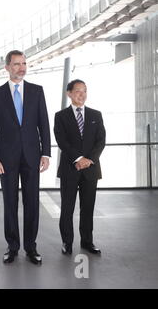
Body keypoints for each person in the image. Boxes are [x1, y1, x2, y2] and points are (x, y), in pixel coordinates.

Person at [0, 50, 51, 265]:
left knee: (32, 202)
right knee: (10, 202)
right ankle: (12, 246)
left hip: (32, 155)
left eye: (24, 63)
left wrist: (45, 153)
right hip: (6, 158)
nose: (21, 67)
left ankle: (31, 247)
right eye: (16, 64)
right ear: (7, 67)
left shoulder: (37, 91)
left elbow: (43, 123)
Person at [54, 79, 106, 255]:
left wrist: (88, 160)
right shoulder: (60, 116)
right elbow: (62, 141)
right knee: (67, 208)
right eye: (77, 91)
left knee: (88, 208)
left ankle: (87, 242)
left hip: (90, 169)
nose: (81, 94)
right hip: (70, 168)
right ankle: (67, 243)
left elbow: (101, 141)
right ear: (69, 93)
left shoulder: (96, 115)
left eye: (84, 91)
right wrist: (78, 158)